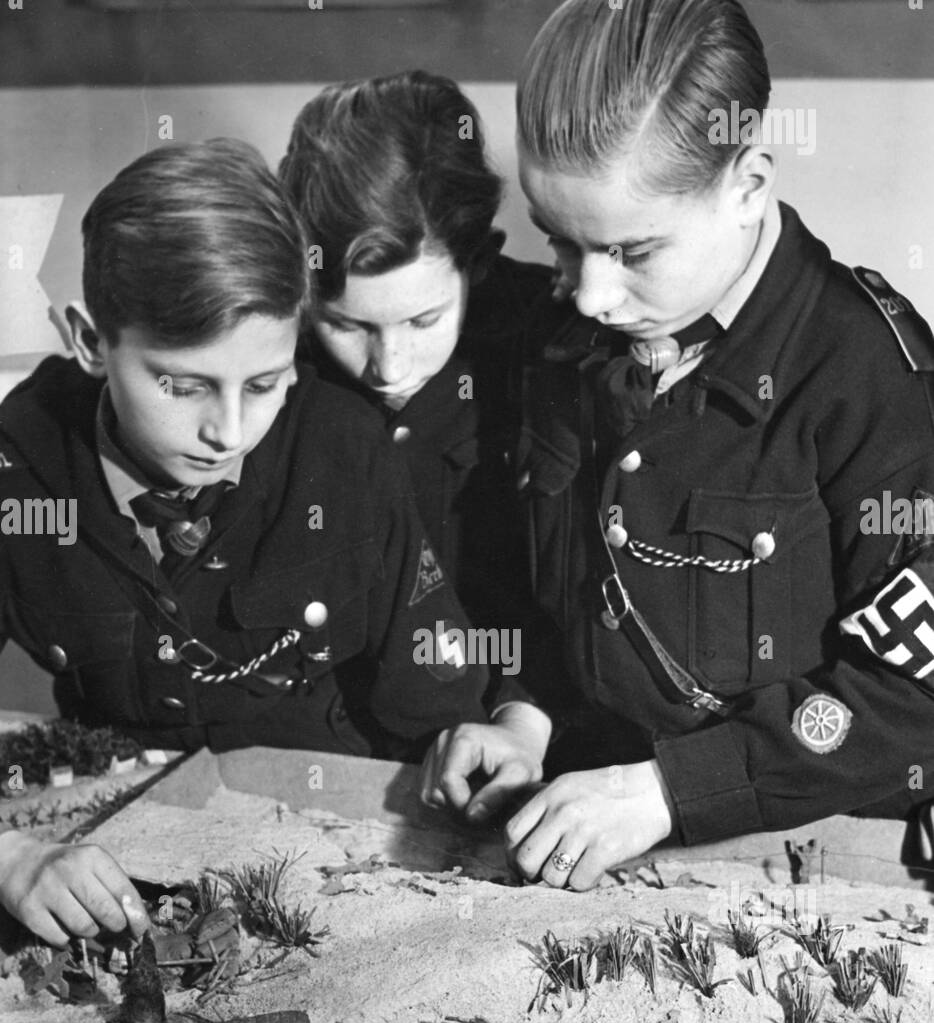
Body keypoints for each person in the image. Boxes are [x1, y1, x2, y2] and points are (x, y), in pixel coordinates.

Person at [421, 0, 934, 891]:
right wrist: (523, 719)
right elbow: (549, 592)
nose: (588, 295)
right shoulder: (566, 336)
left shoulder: (869, 378)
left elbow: (916, 693)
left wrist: (669, 790)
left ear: (748, 185)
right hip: (593, 839)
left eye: (631, 250)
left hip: (823, 857)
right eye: (562, 245)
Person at [0, 138, 491, 948]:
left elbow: (439, 708)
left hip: (328, 857)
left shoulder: (346, 448)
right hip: (109, 861)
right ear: (91, 342)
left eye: (263, 384)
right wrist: (12, 857)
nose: (228, 431)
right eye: (183, 385)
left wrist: (476, 741)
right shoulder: (17, 466)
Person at [279, 71, 558, 790]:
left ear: (480, 263)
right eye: (345, 324)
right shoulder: (263, 366)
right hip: (324, 765)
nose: (388, 364)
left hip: (531, 749)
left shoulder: (557, 354)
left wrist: (522, 717)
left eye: (424, 320)